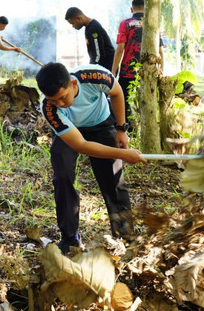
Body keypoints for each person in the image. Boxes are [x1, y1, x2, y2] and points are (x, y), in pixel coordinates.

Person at [36, 62, 146, 254]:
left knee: (113, 176)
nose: (60, 104)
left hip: (101, 123)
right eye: (54, 101)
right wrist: (123, 154)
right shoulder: (49, 108)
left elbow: (117, 93)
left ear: (73, 84)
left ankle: (125, 235)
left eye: (62, 98)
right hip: (70, 132)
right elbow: (81, 145)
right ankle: (70, 238)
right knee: (62, 178)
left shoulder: (96, 76)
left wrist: (121, 130)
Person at [111, 0, 164, 127]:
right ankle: (145, 126)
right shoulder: (152, 24)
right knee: (147, 100)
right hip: (149, 71)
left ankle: (128, 129)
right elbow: (160, 51)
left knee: (124, 101)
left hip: (128, 71)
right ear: (147, 8)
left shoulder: (126, 23)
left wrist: (113, 71)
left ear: (131, 9)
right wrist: (161, 69)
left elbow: (120, 49)